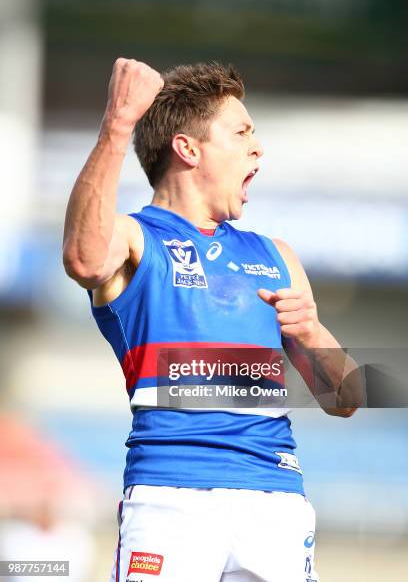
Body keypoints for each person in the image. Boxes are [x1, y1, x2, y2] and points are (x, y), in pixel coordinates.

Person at [63, 59, 361, 582]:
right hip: (169, 500)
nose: (258, 148)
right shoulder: (135, 238)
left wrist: (312, 332)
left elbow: (346, 400)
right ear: (189, 149)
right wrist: (117, 123)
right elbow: (84, 260)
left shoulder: (276, 256)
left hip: (274, 500)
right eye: (242, 132)